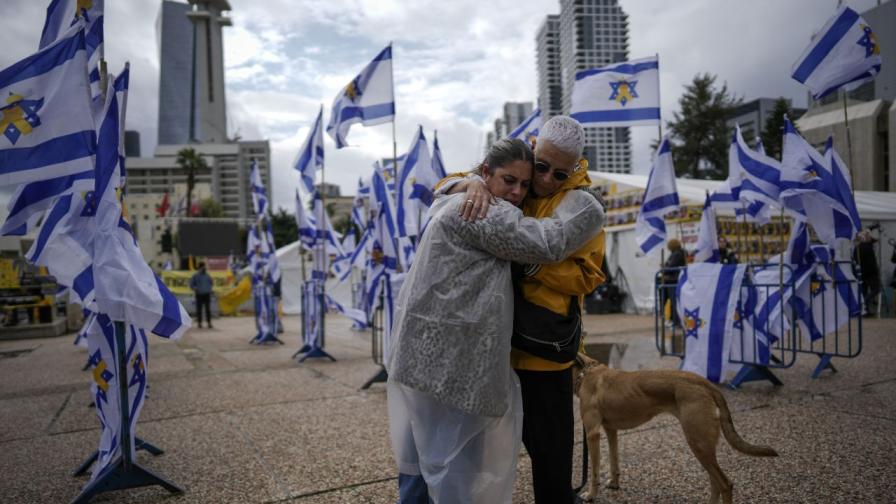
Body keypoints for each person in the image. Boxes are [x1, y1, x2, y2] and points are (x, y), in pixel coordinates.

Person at [387, 138, 604, 504]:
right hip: (451, 362)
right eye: (510, 180)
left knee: (422, 454)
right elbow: (549, 242)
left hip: (426, 357)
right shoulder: (483, 209)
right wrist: (591, 210)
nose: (519, 192)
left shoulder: (456, 199)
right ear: (486, 172)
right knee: (445, 460)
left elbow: (443, 188)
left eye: (524, 183)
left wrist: (467, 181)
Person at [854, 230, 880, 316]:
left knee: (864, 291)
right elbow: (871, 262)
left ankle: (866, 310)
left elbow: (855, 260)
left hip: (862, 273)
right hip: (871, 273)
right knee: (876, 289)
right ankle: (864, 302)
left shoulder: (858, 247)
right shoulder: (868, 247)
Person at [663, 239, 687, 327]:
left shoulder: (677, 254)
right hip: (673, 279)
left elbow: (671, 265)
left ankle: (677, 321)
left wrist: (665, 268)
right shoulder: (677, 253)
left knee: (675, 302)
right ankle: (675, 320)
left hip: (673, 280)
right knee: (674, 302)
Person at [190, 262, 214, 328]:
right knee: (199, 310)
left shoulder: (207, 275)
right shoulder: (195, 276)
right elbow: (191, 284)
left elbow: (211, 283)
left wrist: (209, 289)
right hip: (199, 295)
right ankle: (199, 323)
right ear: (200, 268)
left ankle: (209, 323)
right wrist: (195, 288)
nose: (204, 268)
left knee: (208, 310)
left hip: (207, 294)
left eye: (205, 267)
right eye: (203, 267)